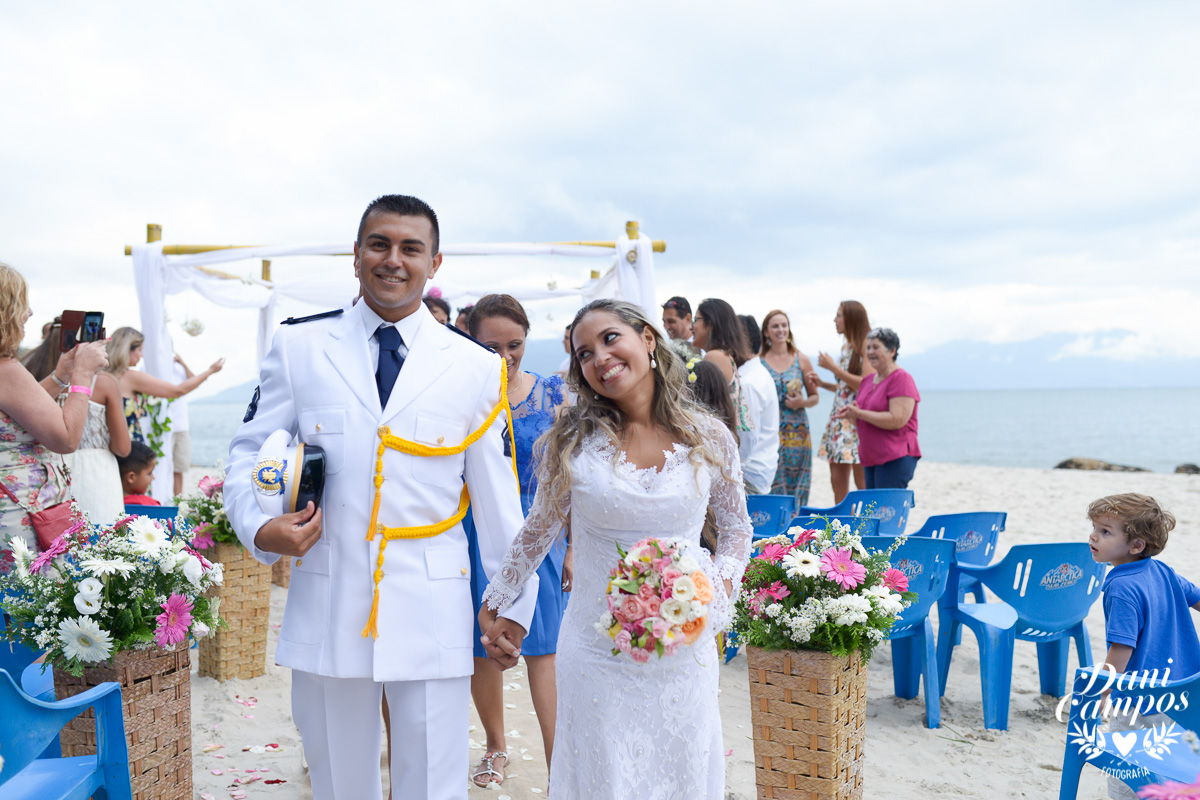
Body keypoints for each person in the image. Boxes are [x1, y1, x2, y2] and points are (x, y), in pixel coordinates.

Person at [223, 194, 538, 800]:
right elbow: (248, 452)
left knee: (433, 781)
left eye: (410, 248)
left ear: (434, 262)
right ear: (358, 254)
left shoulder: (474, 367)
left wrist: (511, 603)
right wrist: (260, 531)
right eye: (380, 244)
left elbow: (500, 504)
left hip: (433, 602)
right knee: (341, 781)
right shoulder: (300, 347)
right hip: (331, 594)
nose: (394, 261)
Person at [478, 298, 753, 799]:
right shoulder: (572, 442)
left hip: (684, 652)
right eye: (583, 353)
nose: (598, 358)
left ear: (647, 339)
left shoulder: (709, 435)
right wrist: (496, 602)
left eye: (609, 339)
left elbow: (736, 529)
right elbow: (537, 531)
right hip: (594, 653)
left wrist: (713, 589)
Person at [465, 294, 570, 786]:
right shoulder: (460, 395)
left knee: (543, 650)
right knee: (483, 645)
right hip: (475, 532)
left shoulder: (553, 393)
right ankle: (495, 747)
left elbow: (571, 475)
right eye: (492, 346)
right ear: (470, 341)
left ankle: (560, 767)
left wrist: (570, 544)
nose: (506, 357)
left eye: (516, 345)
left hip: (542, 535)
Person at [1086, 494, 1200, 800]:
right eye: (1094, 527)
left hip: (1140, 699)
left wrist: (1102, 693)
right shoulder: (1163, 571)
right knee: (1172, 767)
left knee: (1128, 774)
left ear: (1136, 545)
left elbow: (1121, 650)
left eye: (1106, 531)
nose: (1093, 536)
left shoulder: (1121, 586)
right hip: (1185, 692)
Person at [0, 262, 108, 554]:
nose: (30, 312)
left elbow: (14, 413)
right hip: (23, 518)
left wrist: (61, 376)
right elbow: (66, 439)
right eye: (23, 302)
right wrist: (83, 377)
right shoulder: (5, 370)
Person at [21, 321, 131, 521]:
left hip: (46, 472)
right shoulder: (104, 383)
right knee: (102, 541)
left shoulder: (28, 376)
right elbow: (123, 448)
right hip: (96, 475)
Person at [105, 327, 224, 447]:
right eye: (140, 350)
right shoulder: (130, 377)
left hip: (109, 443)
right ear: (127, 350)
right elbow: (178, 391)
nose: (141, 355)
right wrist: (210, 371)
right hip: (127, 446)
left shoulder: (102, 376)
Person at [832, 327, 920, 489]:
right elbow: (862, 418)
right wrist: (852, 415)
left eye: (876, 347)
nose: (870, 352)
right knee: (871, 511)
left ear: (892, 351)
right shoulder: (868, 380)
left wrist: (860, 413)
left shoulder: (901, 378)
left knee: (886, 512)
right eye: (868, 348)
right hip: (870, 458)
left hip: (894, 457)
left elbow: (897, 419)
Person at [808, 300, 873, 503]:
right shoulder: (846, 346)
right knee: (837, 483)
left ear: (851, 319)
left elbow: (866, 386)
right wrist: (823, 383)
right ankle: (843, 529)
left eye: (839, 315)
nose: (834, 320)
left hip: (856, 420)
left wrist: (833, 368)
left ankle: (864, 529)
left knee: (862, 484)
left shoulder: (865, 345)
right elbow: (846, 389)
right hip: (839, 420)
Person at [759, 310, 819, 505]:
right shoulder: (759, 361)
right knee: (772, 477)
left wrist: (802, 402)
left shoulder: (801, 359)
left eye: (784, 325)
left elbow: (815, 397)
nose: (781, 330)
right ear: (766, 332)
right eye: (775, 326)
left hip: (797, 431)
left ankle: (796, 529)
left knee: (798, 481)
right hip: (769, 430)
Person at [691, 298, 753, 436]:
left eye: (696, 320)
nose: (692, 327)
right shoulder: (725, 356)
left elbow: (706, 408)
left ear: (711, 323)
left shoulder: (714, 357)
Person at [737, 315, 780, 496]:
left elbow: (747, 440)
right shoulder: (756, 373)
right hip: (759, 470)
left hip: (750, 474)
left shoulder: (748, 383)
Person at [171, 355, 194, 497]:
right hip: (162, 427)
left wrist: (183, 362)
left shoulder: (178, 368)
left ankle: (177, 500)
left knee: (179, 468)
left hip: (181, 426)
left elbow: (194, 380)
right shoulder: (148, 366)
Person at [119, 441, 159, 506]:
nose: (153, 477)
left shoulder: (110, 502)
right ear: (131, 477)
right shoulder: (149, 505)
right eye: (149, 473)